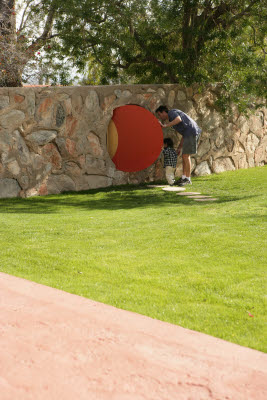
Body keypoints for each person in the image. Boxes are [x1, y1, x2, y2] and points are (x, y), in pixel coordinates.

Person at [156, 105, 201, 186]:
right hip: (188, 133)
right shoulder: (172, 120)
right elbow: (184, 134)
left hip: (192, 132)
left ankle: (188, 179)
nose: (159, 117)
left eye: (159, 114)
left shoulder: (171, 112)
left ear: (164, 112)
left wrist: (165, 125)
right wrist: (180, 147)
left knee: (186, 156)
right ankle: (184, 178)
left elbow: (178, 119)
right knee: (184, 156)